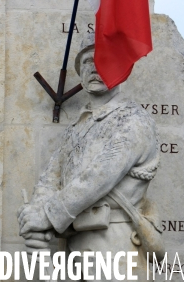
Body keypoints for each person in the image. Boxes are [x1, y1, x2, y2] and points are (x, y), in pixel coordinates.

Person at [18, 32, 165, 280]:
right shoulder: (76, 129)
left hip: (114, 248)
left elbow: (98, 177)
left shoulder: (134, 121)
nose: (95, 67)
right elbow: (50, 178)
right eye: (87, 61)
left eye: (105, 59)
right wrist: (34, 214)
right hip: (76, 250)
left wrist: (46, 216)